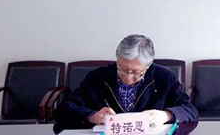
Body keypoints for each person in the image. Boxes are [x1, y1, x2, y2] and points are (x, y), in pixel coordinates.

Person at [54, 34, 198, 129]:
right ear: (117, 60)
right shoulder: (97, 77)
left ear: (148, 66)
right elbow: (63, 109)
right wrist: (91, 116)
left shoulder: (164, 77)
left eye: (136, 72)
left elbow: (190, 110)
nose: (128, 78)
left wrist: (165, 115)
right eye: (122, 69)